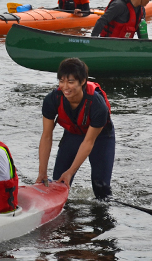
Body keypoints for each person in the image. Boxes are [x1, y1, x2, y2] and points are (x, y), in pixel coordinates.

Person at [36, 58, 114, 200]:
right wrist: (42, 172)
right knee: (58, 181)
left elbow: (88, 142)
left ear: (83, 81)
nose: (65, 87)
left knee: (101, 188)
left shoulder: (97, 106)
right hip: (73, 134)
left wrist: (71, 171)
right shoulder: (52, 100)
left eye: (70, 82)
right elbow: (46, 136)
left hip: (100, 138)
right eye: (61, 81)